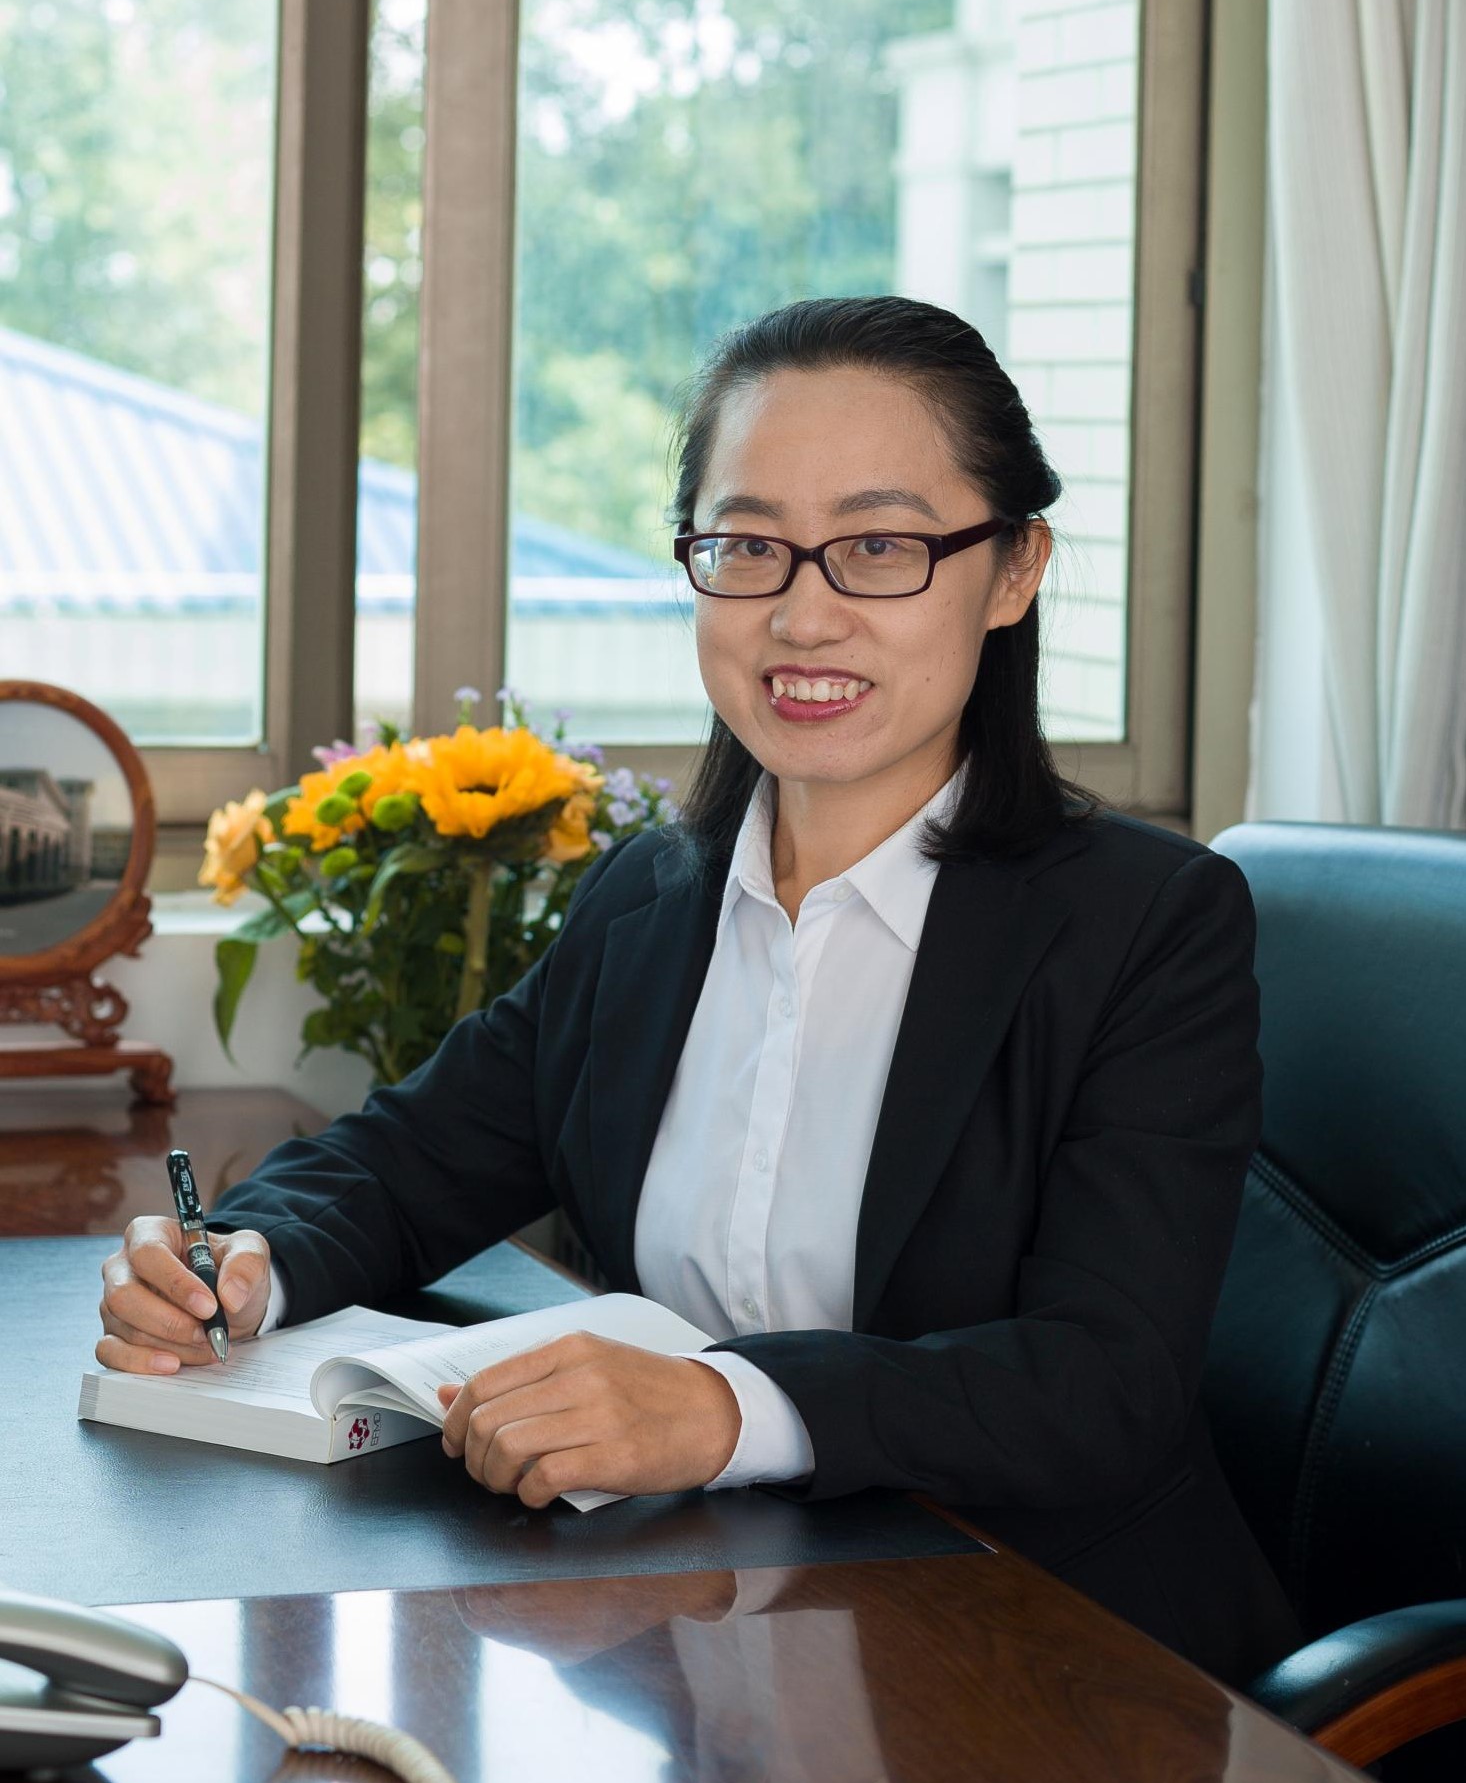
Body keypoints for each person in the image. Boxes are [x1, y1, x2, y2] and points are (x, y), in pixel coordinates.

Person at [96, 295, 1303, 1686]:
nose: (802, 613)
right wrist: (242, 1264)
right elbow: (410, 1158)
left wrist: (723, 1409)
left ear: (1012, 568)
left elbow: (1103, 1383)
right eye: (748, 545)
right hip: (716, 1627)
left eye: (879, 547)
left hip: (1053, 1663)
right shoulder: (649, 898)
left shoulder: (1145, 924)